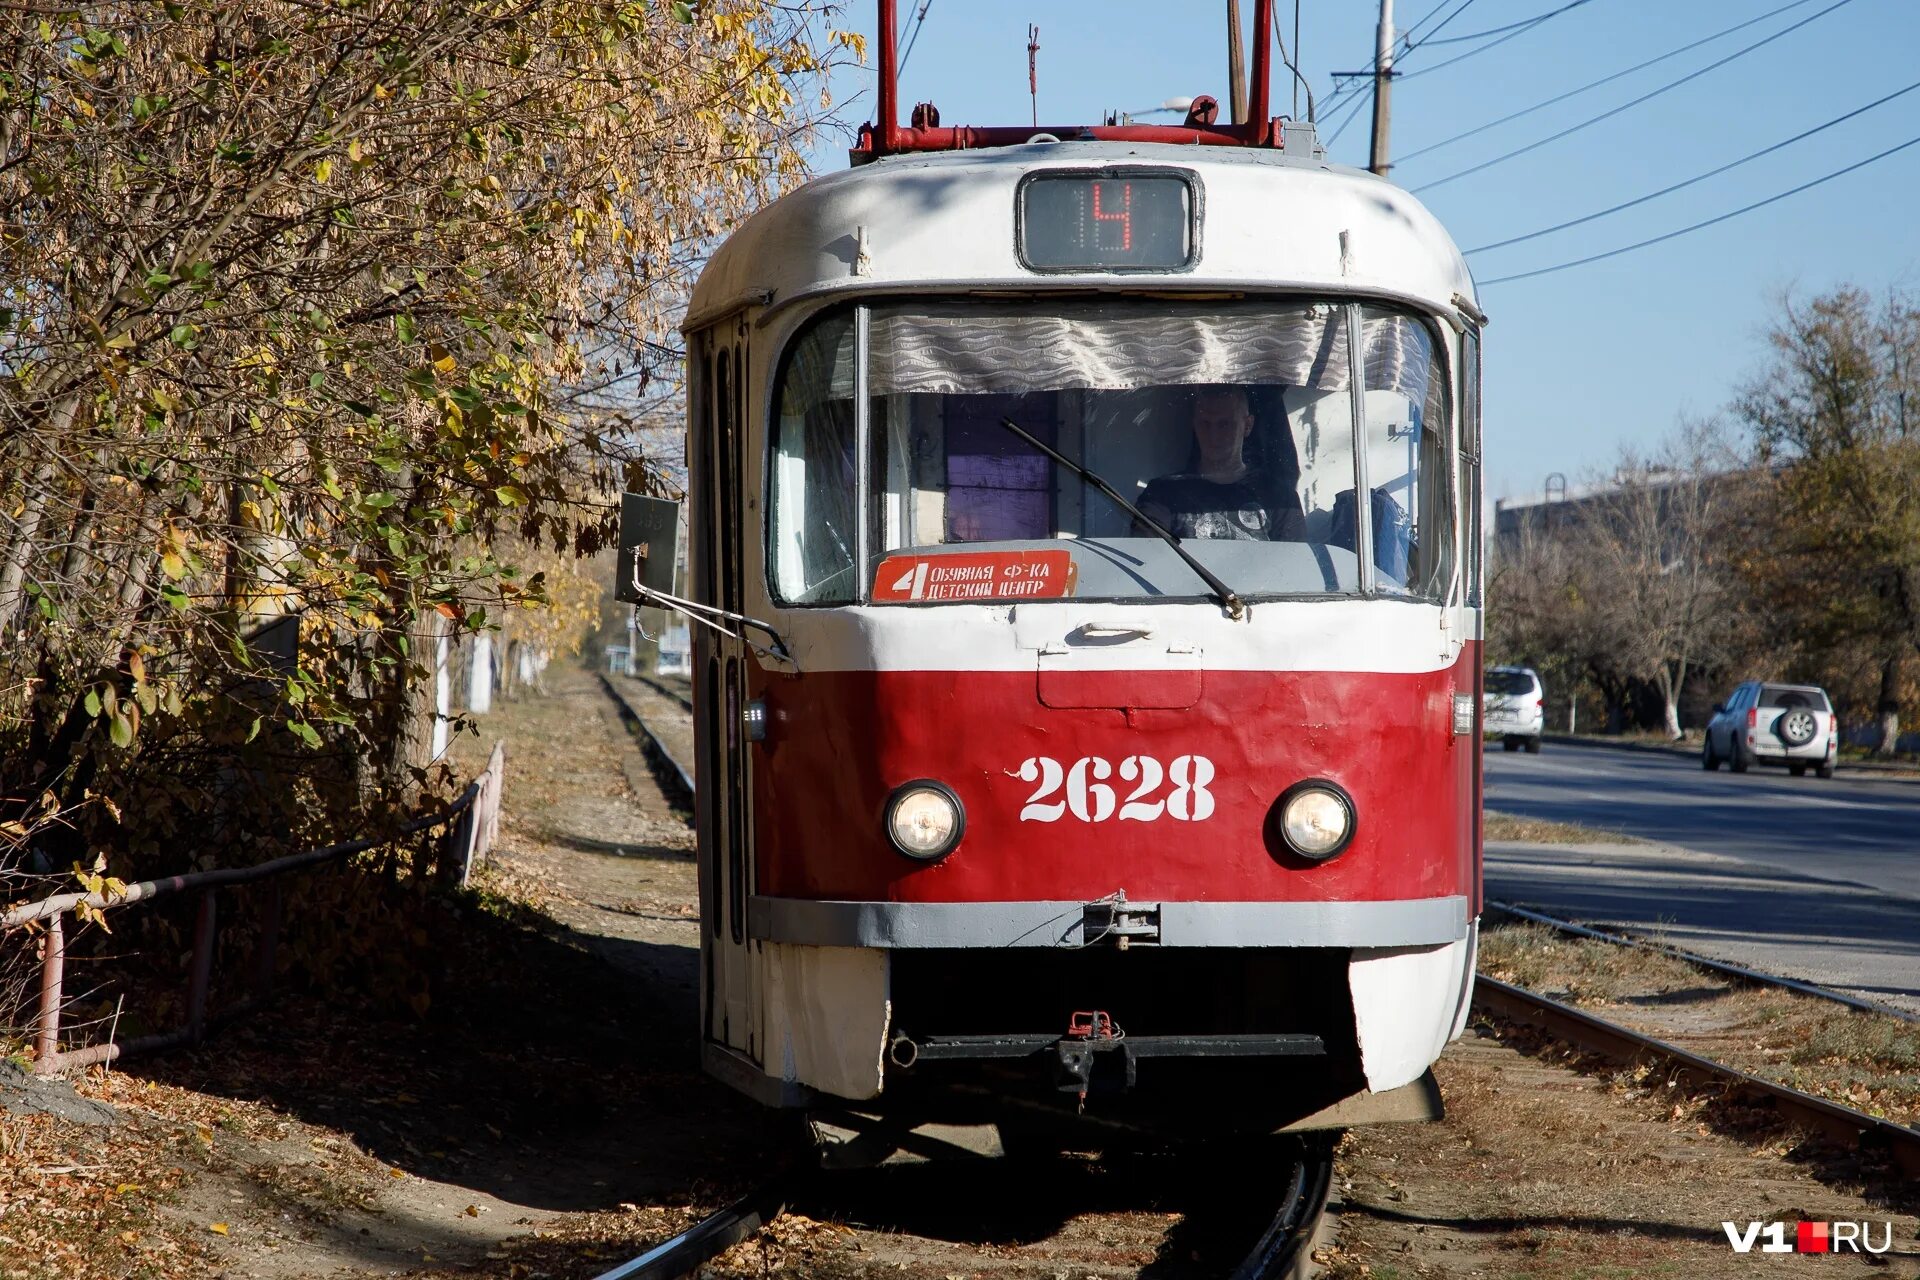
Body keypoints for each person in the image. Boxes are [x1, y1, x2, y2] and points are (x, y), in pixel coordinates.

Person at [1136, 385, 1307, 541]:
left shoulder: (1281, 499)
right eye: (1205, 424)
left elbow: (1294, 566)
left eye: (1224, 424)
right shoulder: (1161, 495)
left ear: (1247, 425)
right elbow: (1150, 560)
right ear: (1194, 424)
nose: (1214, 436)